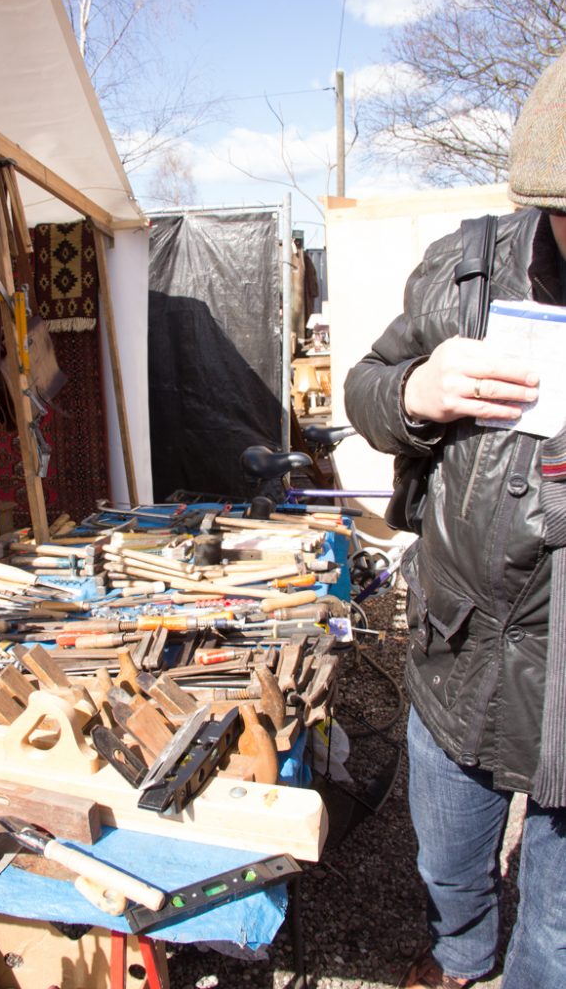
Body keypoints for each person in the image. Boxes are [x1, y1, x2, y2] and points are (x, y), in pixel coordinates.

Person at [343, 49, 566, 989]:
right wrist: (417, 393)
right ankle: (457, 960)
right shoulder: (464, 269)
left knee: (555, 941)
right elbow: (362, 389)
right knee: (444, 867)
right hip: (459, 648)